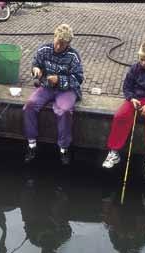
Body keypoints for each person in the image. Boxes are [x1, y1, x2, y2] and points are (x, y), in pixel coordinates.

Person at [102, 41, 145, 178]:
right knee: (120, 116)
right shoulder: (134, 69)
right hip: (135, 100)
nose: (143, 63)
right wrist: (131, 98)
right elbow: (126, 87)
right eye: (141, 59)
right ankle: (114, 152)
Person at [23, 24, 84, 165]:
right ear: (54, 37)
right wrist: (36, 70)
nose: (58, 46)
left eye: (62, 45)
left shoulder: (73, 56)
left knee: (64, 111)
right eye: (57, 42)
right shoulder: (44, 49)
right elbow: (35, 63)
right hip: (47, 87)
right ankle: (31, 144)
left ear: (68, 44)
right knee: (29, 106)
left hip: (67, 90)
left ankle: (64, 148)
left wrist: (59, 79)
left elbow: (78, 79)